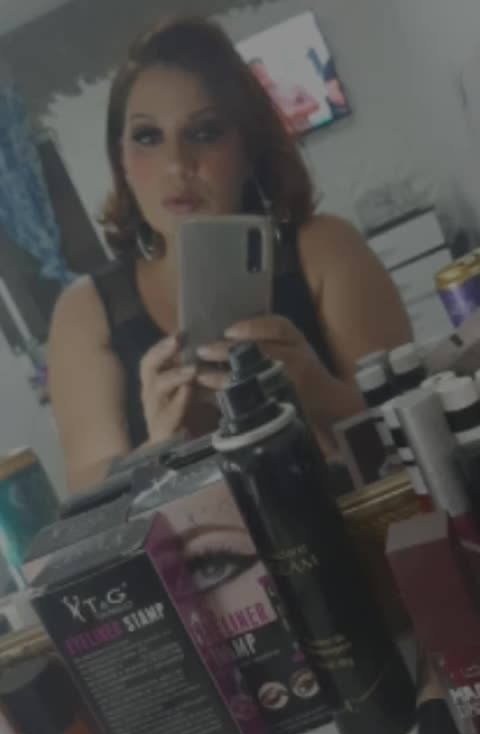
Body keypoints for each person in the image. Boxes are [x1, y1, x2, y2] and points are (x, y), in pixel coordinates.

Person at [49, 16, 411, 492]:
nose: (177, 164)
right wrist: (161, 449)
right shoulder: (86, 313)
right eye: (148, 137)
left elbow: (412, 426)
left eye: (205, 132)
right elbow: (91, 502)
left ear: (249, 146)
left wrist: (315, 388)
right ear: (122, 160)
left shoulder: (325, 250)